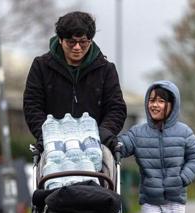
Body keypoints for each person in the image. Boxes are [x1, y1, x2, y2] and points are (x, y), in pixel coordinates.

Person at [118, 80, 195, 213]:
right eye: (151, 100)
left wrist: (182, 179)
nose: (154, 105)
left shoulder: (184, 132)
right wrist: (111, 143)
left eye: (160, 101)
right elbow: (121, 146)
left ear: (171, 105)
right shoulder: (138, 133)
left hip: (175, 199)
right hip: (151, 199)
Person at [23, 11, 127, 153]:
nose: (77, 47)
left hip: (95, 148)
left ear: (90, 40)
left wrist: (102, 134)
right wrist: (47, 135)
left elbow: (116, 108)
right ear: (60, 39)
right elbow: (32, 106)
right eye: (71, 42)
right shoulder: (41, 66)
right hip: (53, 148)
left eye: (83, 42)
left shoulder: (106, 69)